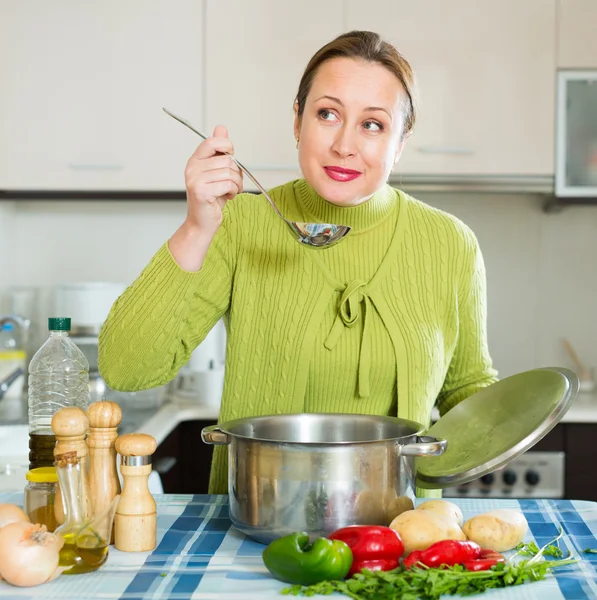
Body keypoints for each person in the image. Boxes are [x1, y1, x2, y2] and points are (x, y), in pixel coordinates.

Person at [98, 30, 498, 496]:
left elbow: (467, 391)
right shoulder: (239, 222)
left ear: (401, 140)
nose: (345, 145)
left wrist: (512, 418)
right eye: (328, 114)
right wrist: (196, 226)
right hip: (253, 520)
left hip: (397, 535)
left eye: (373, 124)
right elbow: (127, 368)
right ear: (297, 121)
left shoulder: (449, 244)